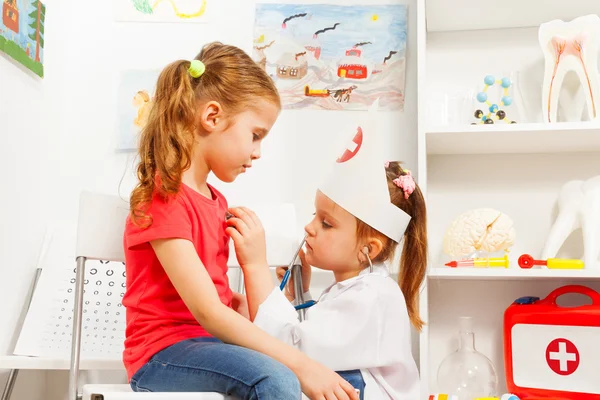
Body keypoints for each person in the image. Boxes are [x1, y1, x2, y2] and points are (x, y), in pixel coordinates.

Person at [123, 41, 359, 400]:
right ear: (212, 117)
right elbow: (206, 311)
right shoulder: (164, 199)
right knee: (276, 379)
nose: (257, 152)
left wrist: (254, 303)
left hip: (207, 346)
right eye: (256, 135)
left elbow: (218, 301)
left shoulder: (217, 202)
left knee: (302, 371)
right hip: (162, 355)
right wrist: (301, 365)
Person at [234, 123, 427, 399]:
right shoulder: (362, 289)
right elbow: (328, 338)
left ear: (368, 250)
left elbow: (292, 348)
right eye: (315, 214)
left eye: (326, 223)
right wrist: (296, 299)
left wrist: (254, 266)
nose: (310, 227)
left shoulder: (373, 296)